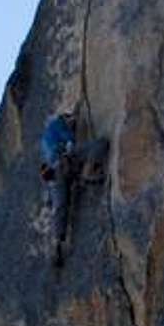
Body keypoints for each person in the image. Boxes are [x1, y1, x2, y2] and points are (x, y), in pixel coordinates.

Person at [39, 108, 107, 266]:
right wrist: (71, 142)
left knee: (61, 205)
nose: (73, 123)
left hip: (54, 175)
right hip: (65, 162)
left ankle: (57, 243)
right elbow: (69, 139)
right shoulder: (57, 124)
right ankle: (88, 171)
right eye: (71, 121)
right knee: (100, 144)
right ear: (65, 118)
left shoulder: (44, 141)